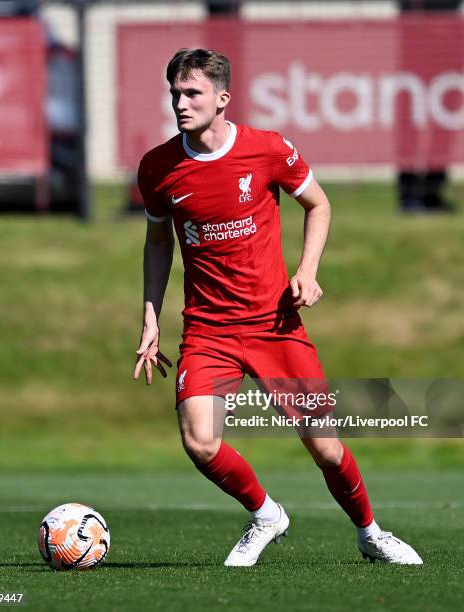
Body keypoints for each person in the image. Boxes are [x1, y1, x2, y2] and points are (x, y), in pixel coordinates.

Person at [134, 48, 423, 567]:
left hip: (273, 325)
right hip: (208, 330)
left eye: (192, 93)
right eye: (174, 93)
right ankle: (266, 513)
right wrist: (151, 318)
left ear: (223, 99)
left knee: (327, 449)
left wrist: (307, 271)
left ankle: (371, 532)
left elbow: (319, 203)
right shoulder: (157, 167)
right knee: (200, 440)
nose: (180, 102)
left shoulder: (266, 150)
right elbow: (159, 244)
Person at [397, 0, 461, 213]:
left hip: (448, 38)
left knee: (444, 115)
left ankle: (433, 190)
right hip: (416, 39)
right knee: (410, 116)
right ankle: (409, 192)